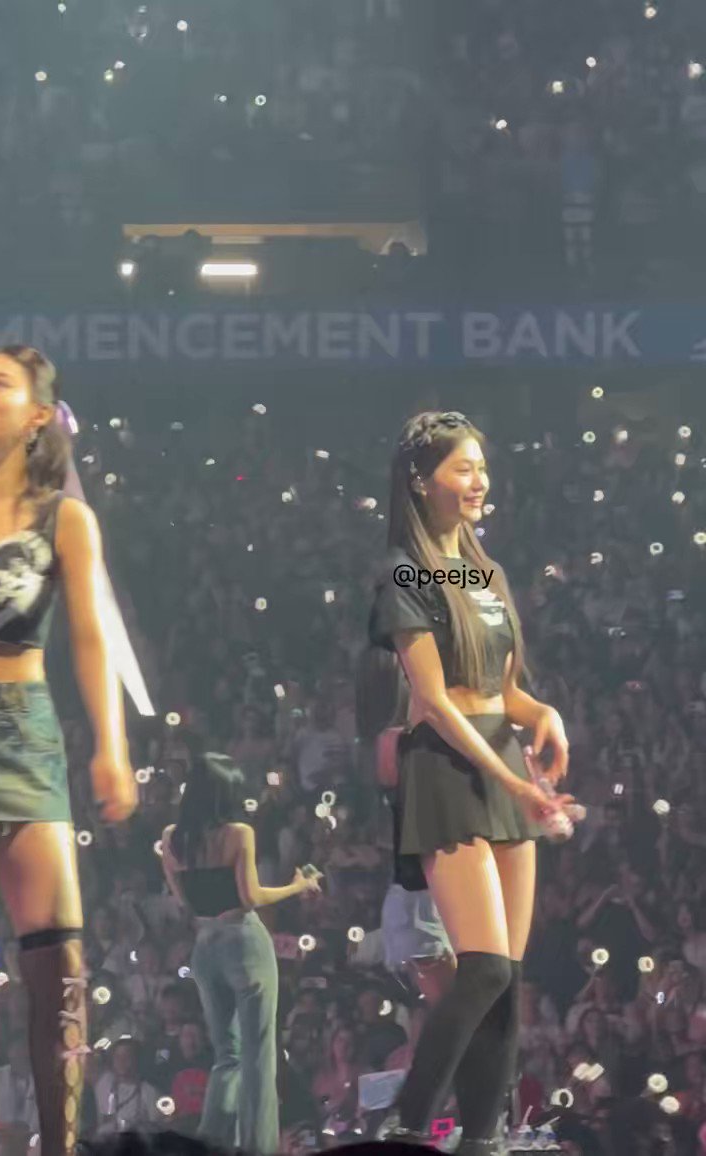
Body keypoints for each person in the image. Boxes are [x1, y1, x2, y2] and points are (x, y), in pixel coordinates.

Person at [367, 411, 573, 1153]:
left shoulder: (485, 574)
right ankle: (405, 1123)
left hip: (502, 761)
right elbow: (433, 699)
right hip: (449, 769)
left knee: (506, 978)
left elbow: (503, 690)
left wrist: (543, 712)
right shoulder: (405, 573)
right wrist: (511, 780)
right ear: (422, 482)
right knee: (480, 968)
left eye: (482, 465)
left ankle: (484, 1139)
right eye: (463, 467)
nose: (479, 479)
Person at [0, 346, 138, 1156]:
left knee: (58, 961)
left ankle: (62, 1144)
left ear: (38, 413)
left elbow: (89, 637)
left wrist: (111, 745)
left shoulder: (63, 518)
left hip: (18, 725)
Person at [159, 750, 322, 1156]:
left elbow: (184, 901)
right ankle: (257, 1148)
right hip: (243, 941)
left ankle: (210, 1144)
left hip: (205, 947)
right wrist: (297, 886)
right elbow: (250, 897)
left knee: (226, 1057)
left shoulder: (171, 838)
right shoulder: (238, 833)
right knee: (257, 1056)